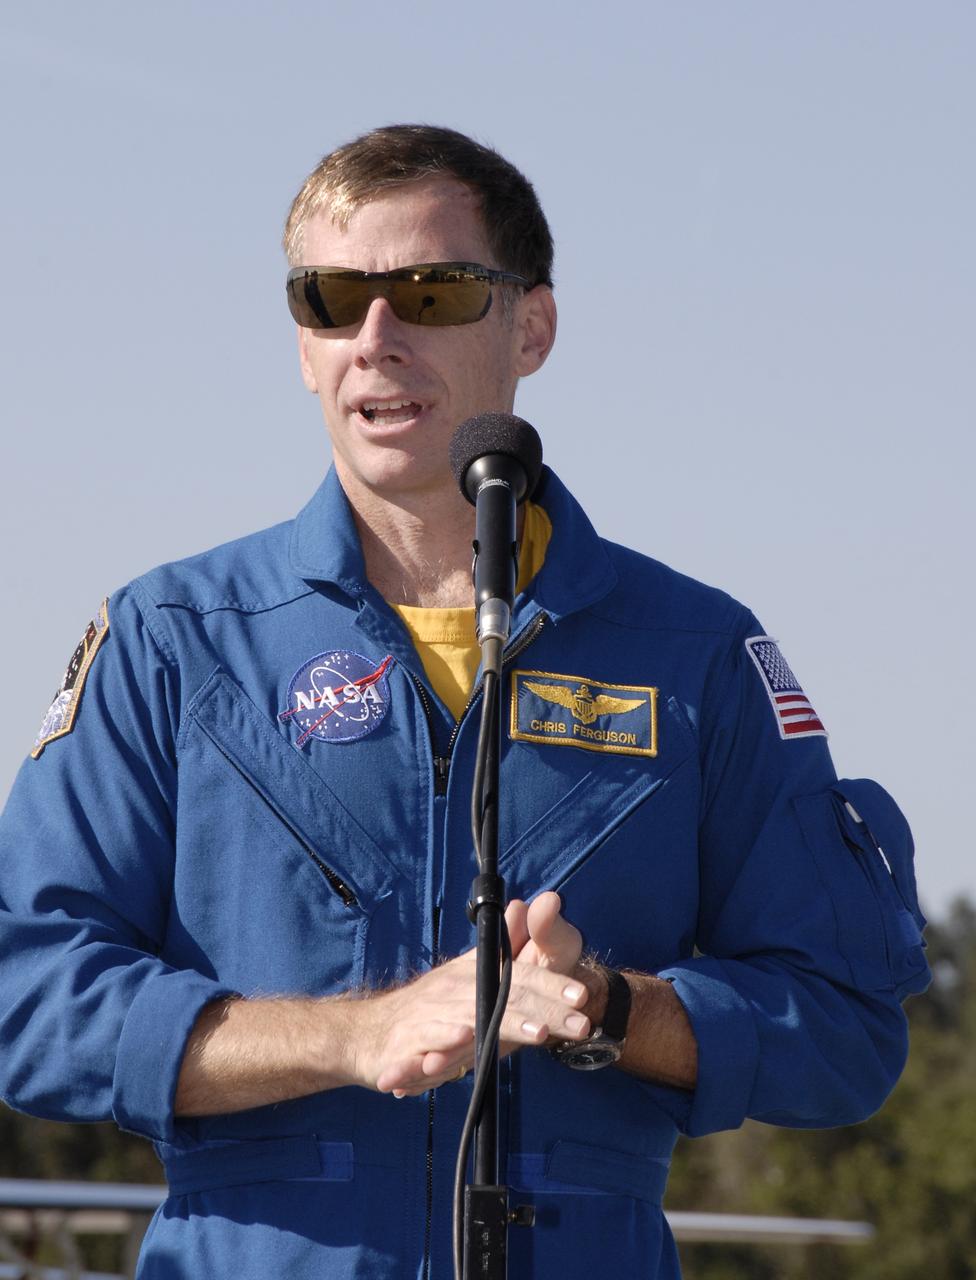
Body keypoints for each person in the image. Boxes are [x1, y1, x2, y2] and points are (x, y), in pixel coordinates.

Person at [0, 125, 929, 1279]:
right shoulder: (174, 639)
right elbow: (23, 991)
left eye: (431, 293)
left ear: (529, 326)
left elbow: (842, 1028)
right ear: (302, 343)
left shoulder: (695, 651)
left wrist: (606, 1008)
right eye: (334, 296)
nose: (376, 339)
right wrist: (358, 1033)